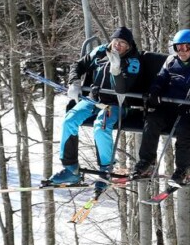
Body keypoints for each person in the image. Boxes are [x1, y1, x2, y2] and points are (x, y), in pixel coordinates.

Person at [48, 26, 142, 187]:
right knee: (69, 119)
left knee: (101, 125)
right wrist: (74, 82)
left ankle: (106, 169)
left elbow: (122, 89)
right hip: (93, 99)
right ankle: (71, 169)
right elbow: (78, 65)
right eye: (115, 41)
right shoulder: (100, 51)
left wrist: (116, 70)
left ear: (129, 46)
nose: (117, 45)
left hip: (117, 103)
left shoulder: (133, 62)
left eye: (122, 43)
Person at [130, 28, 190, 184]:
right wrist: (155, 91)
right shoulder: (171, 61)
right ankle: (147, 161)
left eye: (186, 47)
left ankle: (182, 169)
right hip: (169, 106)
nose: (182, 51)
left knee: (184, 129)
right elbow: (160, 80)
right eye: (178, 47)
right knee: (152, 120)